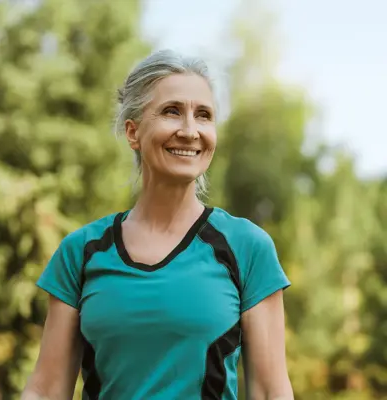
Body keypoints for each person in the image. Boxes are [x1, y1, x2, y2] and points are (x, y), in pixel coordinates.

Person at [22, 49, 294, 400]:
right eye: (171, 111)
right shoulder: (81, 252)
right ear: (133, 132)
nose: (190, 130)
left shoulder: (247, 247)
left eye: (204, 115)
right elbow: (45, 390)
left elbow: (272, 391)